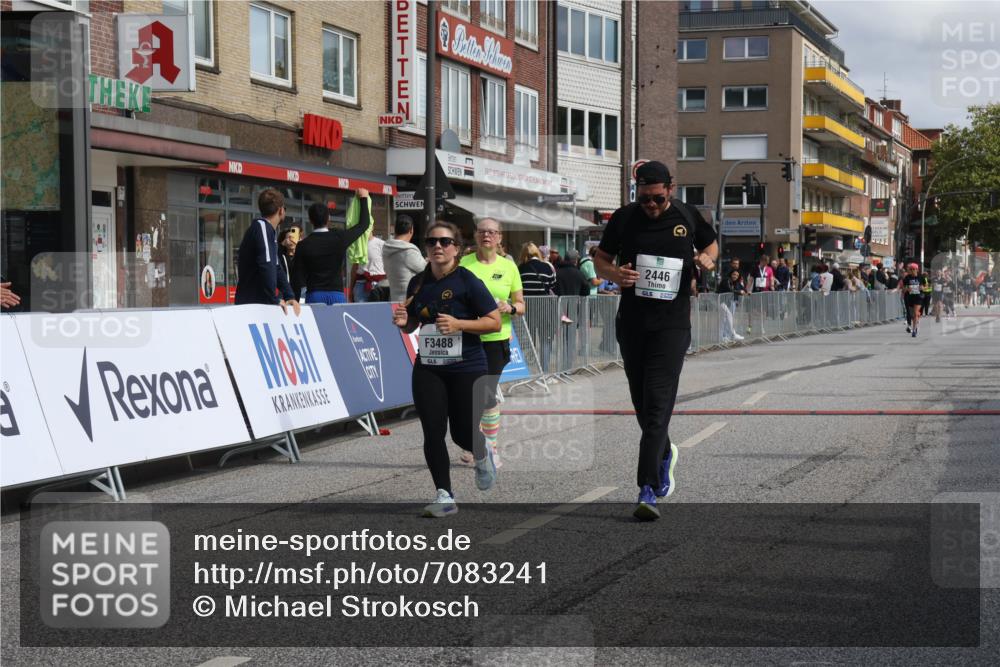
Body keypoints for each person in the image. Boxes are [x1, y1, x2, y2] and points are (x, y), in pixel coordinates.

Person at [593, 160, 718, 520]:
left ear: (670, 189)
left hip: (671, 326)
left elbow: (712, 247)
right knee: (641, 404)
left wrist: (706, 260)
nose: (650, 205)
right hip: (632, 323)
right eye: (644, 198)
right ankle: (664, 452)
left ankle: (647, 488)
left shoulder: (686, 215)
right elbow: (600, 259)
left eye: (657, 198)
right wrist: (615, 273)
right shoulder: (624, 218)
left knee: (657, 405)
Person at [392, 221, 501, 518]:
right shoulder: (418, 282)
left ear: (457, 248)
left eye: (445, 241)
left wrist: (459, 324)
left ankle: (481, 451)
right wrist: (405, 323)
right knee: (433, 431)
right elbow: (414, 321)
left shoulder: (468, 281)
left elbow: (493, 321)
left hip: (467, 365)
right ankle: (444, 495)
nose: (438, 246)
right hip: (429, 365)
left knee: (462, 433)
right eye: (431, 242)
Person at [459, 218, 525, 469]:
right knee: (467, 394)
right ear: (475, 236)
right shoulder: (463, 264)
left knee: (485, 395)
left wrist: (510, 307)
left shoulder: (509, 268)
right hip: (467, 336)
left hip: (496, 339)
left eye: (492, 232)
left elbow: (521, 305)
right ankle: (471, 442)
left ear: (499, 238)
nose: (486, 235)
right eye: (482, 231)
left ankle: (490, 447)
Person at [292, 189, 372, 305]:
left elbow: (296, 278)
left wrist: (294, 301)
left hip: (314, 295)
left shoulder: (303, 245)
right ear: (328, 218)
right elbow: (363, 225)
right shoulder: (339, 237)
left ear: (310, 220)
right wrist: (364, 198)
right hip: (337, 295)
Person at [234, 188, 301, 315]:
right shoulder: (262, 228)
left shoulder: (266, 231)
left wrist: (289, 296)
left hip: (254, 303)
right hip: (251, 305)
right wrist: (273, 299)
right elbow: (267, 264)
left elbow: (276, 267)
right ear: (281, 210)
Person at [518, 242, 557, 373]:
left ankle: (527, 369)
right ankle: (544, 370)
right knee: (545, 339)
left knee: (528, 339)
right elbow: (552, 284)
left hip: (527, 308)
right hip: (545, 308)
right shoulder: (546, 267)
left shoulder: (520, 268)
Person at [383, 214, 427, 303]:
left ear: (395, 230)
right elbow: (427, 270)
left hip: (394, 299)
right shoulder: (408, 251)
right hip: (408, 302)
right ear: (411, 230)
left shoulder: (387, 248)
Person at [717, 268, 747, 342]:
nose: (735, 276)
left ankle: (722, 337)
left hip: (726, 302)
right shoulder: (726, 280)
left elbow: (743, 289)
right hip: (720, 301)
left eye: (737, 275)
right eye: (734, 274)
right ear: (731, 274)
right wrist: (740, 292)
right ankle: (733, 335)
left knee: (723, 320)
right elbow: (729, 290)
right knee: (728, 316)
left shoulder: (735, 282)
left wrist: (746, 292)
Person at [901, 262, 927, 337]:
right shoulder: (907, 278)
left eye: (914, 269)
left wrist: (922, 288)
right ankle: (915, 322)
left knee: (915, 313)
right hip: (910, 297)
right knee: (912, 315)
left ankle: (914, 329)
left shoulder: (921, 277)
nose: (912, 271)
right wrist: (906, 289)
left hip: (918, 297)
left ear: (917, 270)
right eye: (911, 269)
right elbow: (903, 289)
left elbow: (926, 287)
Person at [277, 224, 301, 290]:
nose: (291, 240)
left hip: (300, 290)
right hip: (284, 291)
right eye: (288, 238)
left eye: (293, 237)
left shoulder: (301, 255)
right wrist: (282, 245)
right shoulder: (281, 256)